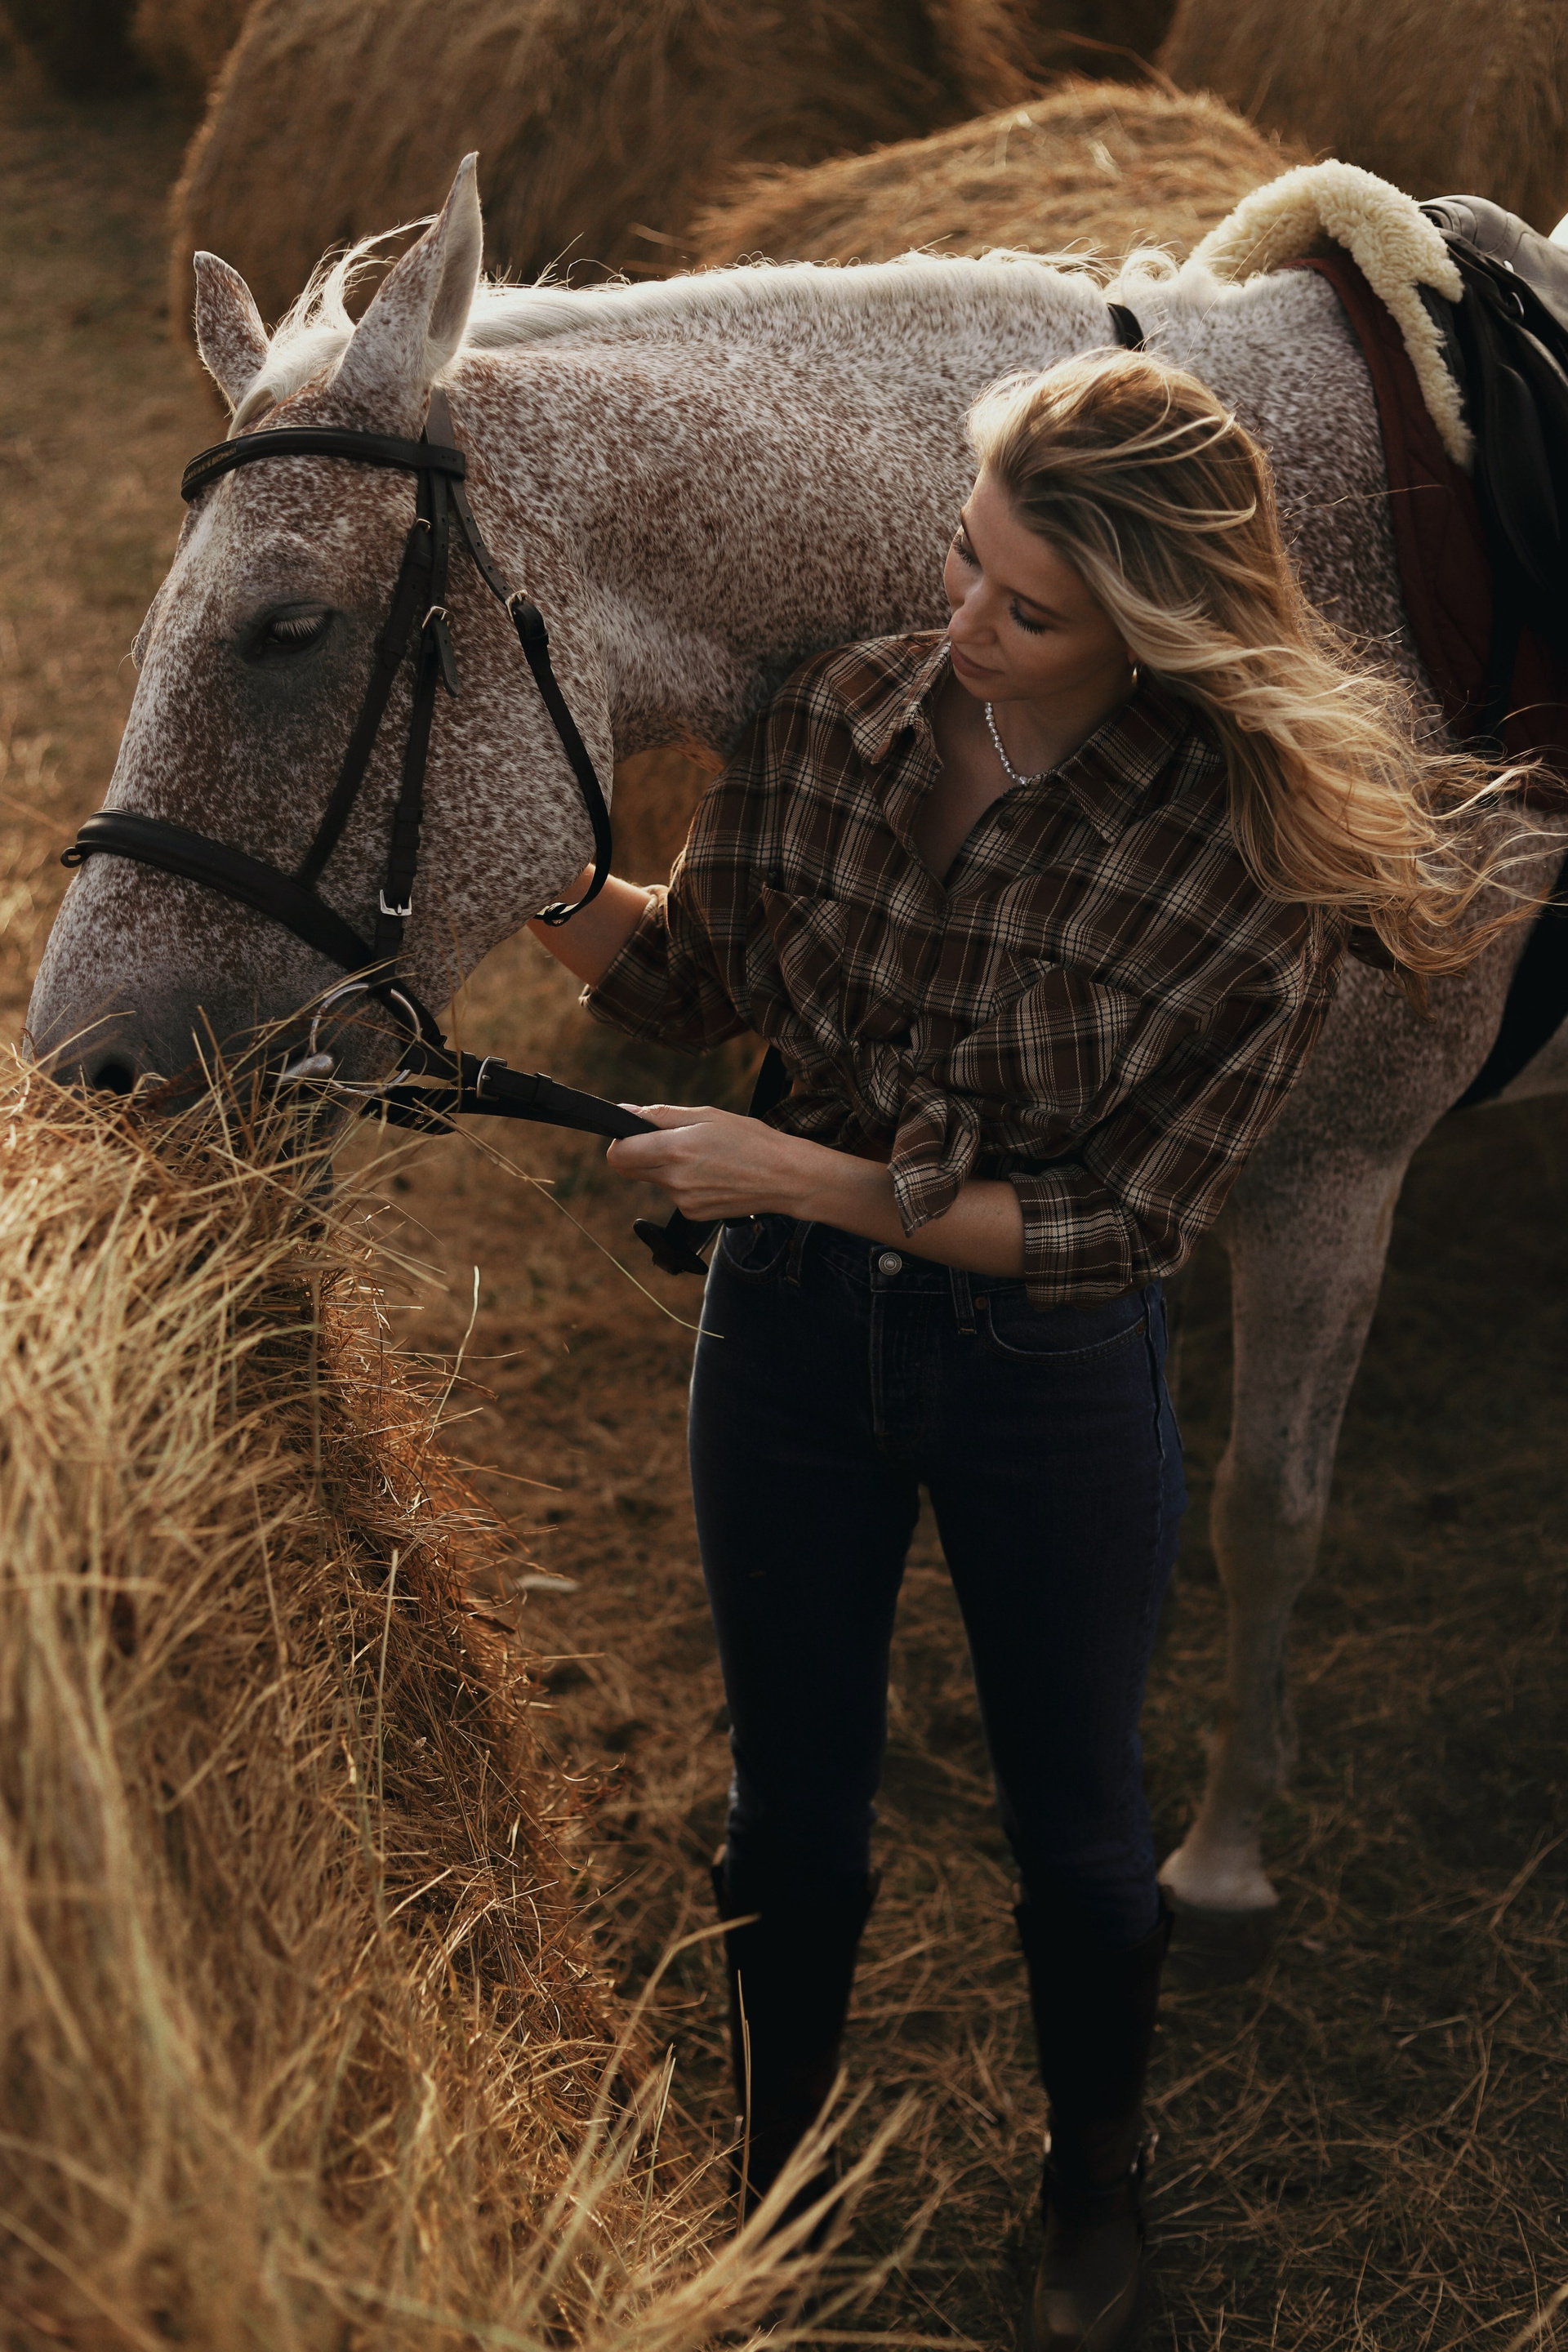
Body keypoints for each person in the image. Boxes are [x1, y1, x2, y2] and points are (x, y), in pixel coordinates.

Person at [528, 350, 1524, 2352]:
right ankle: (768, 2191)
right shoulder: (830, 713)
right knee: (787, 1813)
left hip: (1043, 1374)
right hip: (788, 1348)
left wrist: (793, 1174)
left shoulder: (1249, 861)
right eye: (964, 559)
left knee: (1077, 1826)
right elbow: (699, 976)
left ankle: (1093, 2198)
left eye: (1030, 608)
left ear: (1154, 631)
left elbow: (1122, 1227)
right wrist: (528, 878)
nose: (965, 620)